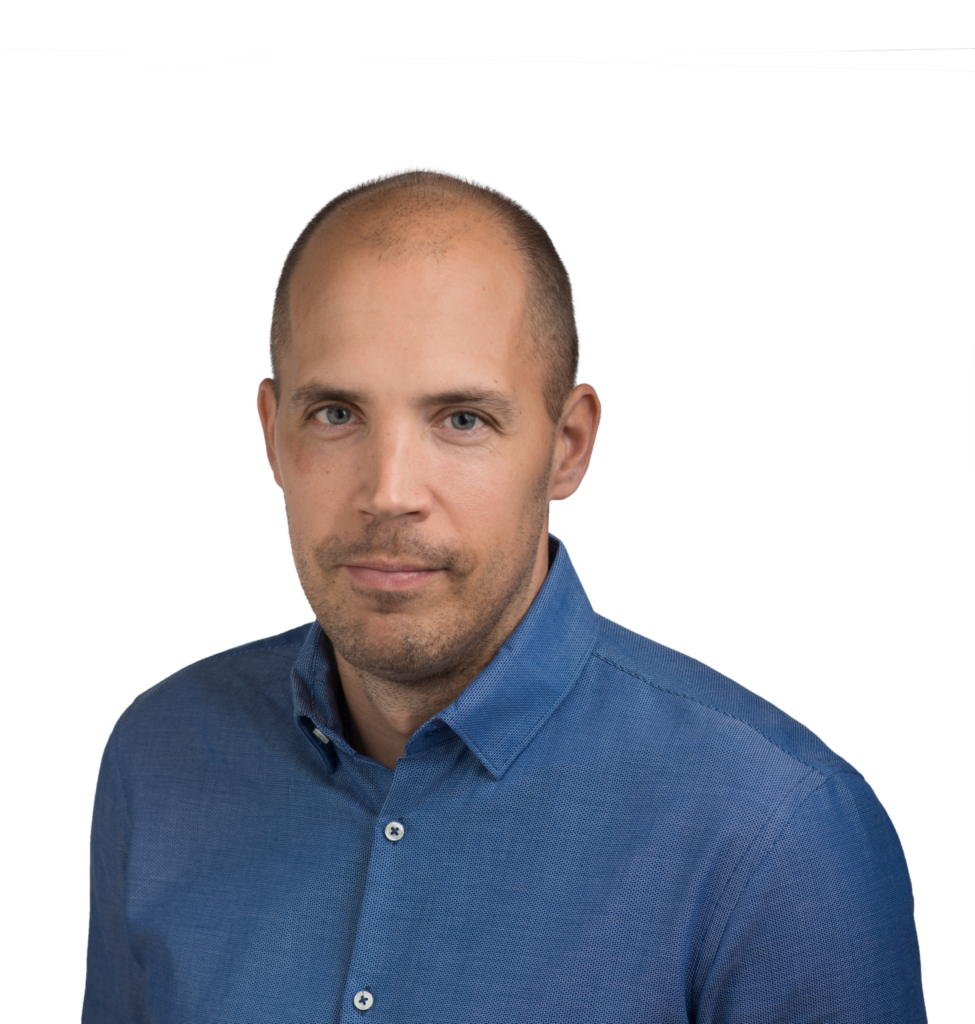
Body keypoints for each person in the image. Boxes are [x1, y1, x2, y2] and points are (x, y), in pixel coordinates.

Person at [81, 165, 927, 1022]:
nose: (389, 493)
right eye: (336, 413)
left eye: (462, 420)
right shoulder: (157, 757)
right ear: (272, 435)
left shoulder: (779, 834)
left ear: (568, 446)